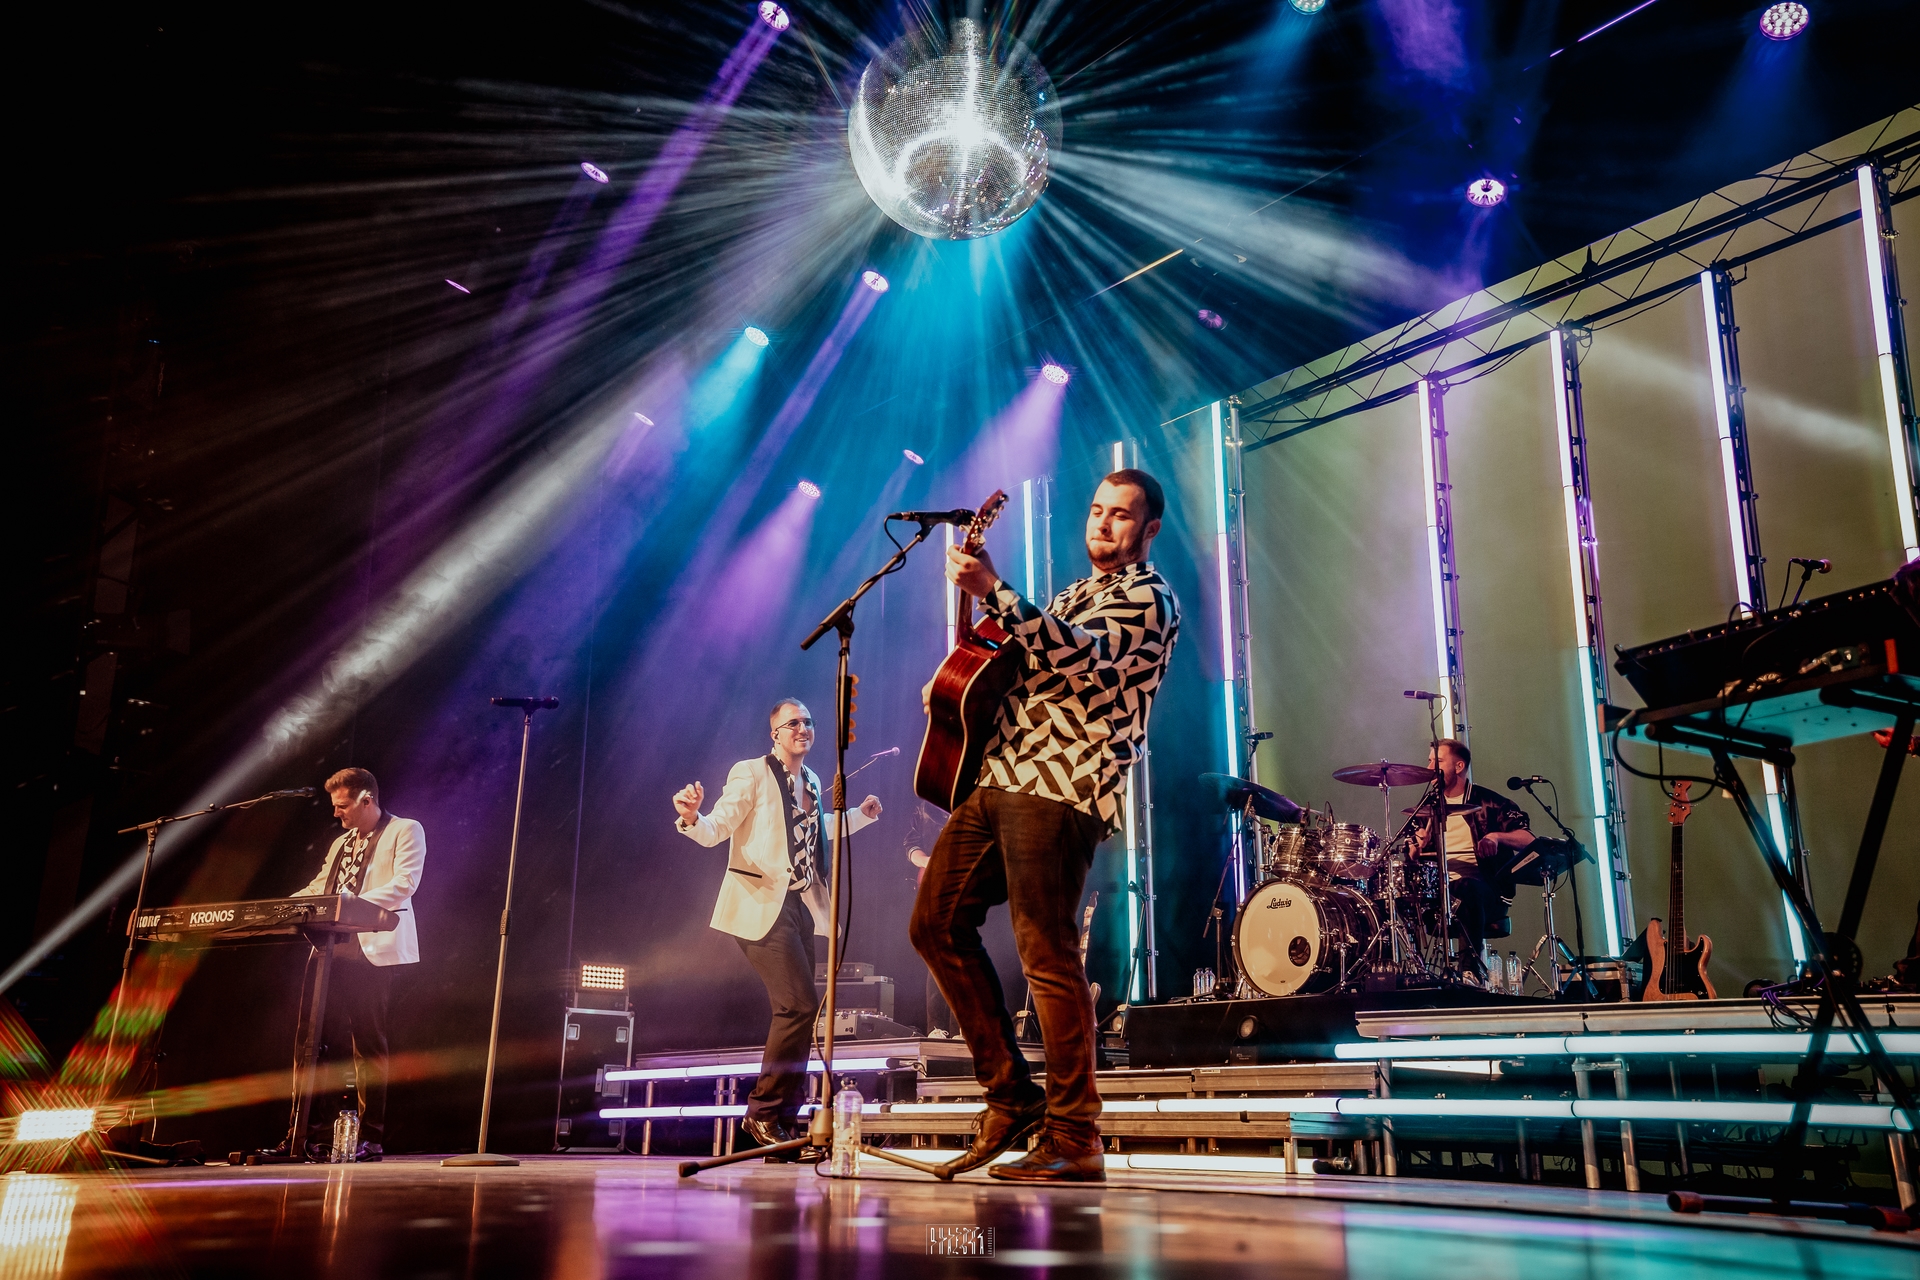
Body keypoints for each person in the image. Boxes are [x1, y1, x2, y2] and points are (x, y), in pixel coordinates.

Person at [912, 469, 1181, 1184]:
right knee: (934, 923)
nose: (1103, 524)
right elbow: (1019, 660)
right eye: (1096, 510)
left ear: (1149, 530)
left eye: (1121, 515)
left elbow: (1080, 655)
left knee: (1046, 953)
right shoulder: (1070, 594)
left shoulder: (1149, 598)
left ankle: (1075, 1134)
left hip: (1063, 786)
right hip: (1000, 775)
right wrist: (953, 683)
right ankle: (1011, 1096)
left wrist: (995, 590)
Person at [672, 698, 883, 1156]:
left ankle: (784, 1125)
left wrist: (859, 816)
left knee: (803, 1013)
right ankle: (763, 1113)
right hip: (759, 904)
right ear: (775, 734)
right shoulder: (750, 773)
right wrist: (692, 818)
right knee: (798, 1004)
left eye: (808, 722)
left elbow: (816, 829)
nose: (802, 729)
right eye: (793, 723)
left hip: (799, 906)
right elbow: (718, 827)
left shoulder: (812, 780)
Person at [292, 767, 425, 1161]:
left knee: (368, 1045)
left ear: (367, 800)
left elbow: (405, 883)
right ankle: (305, 1136)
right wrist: (286, 906)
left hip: (371, 948)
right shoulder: (340, 842)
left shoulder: (405, 830)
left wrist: (346, 906)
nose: (337, 813)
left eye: (343, 806)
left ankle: (370, 1137)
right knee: (311, 1043)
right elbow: (321, 886)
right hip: (328, 948)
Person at [1413, 739, 1534, 979]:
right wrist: (1417, 848)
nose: (1429, 768)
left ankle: (1470, 970)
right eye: (1429, 761)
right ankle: (1411, 972)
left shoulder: (1492, 802)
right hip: (1440, 891)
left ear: (1458, 766)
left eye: (1437, 761)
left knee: (1466, 886)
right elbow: (1412, 854)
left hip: (1487, 890)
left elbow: (1528, 839)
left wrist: (1496, 837)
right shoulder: (1426, 807)